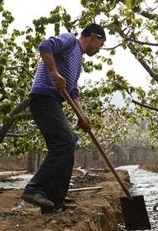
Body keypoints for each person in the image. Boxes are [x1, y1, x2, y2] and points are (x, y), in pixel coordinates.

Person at [21, 24, 106, 214]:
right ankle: (34, 189)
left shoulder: (79, 63)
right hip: (43, 97)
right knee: (64, 143)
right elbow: (45, 46)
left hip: (54, 102)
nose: (98, 50)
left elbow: (72, 92)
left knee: (68, 147)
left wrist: (83, 116)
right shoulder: (70, 41)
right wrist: (54, 73)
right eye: (100, 45)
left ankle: (55, 200)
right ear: (93, 36)